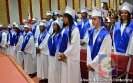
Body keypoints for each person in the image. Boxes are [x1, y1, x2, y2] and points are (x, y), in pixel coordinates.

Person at [86, 7, 112, 83]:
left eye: (95, 19)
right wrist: (89, 63)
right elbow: (89, 49)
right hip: (92, 64)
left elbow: (104, 53)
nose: (92, 21)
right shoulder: (91, 31)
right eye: (91, 19)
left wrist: (93, 65)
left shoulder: (105, 34)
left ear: (100, 19)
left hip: (101, 66)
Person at [58, 6, 80, 83]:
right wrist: (60, 53)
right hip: (64, 55)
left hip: (71, 57)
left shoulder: (75, 29)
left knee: (71, 77)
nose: (63, 19)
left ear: (70, 18)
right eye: (63, 17)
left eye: (65, 17)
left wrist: (65, 54)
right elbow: (60, 41)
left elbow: (74, 45)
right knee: (65, 76)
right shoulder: (63, 29)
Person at [48, 18, 63, 83]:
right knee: (51, 69)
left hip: (56, 55)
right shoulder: (52, 34)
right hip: (51, 55)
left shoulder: (60, 35)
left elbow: (60, 46)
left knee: (56, 70)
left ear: (59, 26)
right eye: (53, 25)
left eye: (55, 25)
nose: (53, 26)